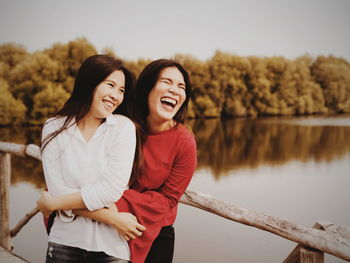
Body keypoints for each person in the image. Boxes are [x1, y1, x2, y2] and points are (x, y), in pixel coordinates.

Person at [73, 59, 197, 262]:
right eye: (167, 82)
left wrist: (110, 205)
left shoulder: (185, 141)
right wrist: (110, 215)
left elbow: (167, 200)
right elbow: (82, 172)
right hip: (101, 221)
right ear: (148, 87)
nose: (175, 90)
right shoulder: (120, 125)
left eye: (181, 86)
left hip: (155, 231)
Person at [36, 54, 145, 263]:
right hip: (64, 242)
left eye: (121, 90)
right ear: (89, 83)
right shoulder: (54, 127)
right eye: (110, 85)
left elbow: (110, 190)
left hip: (110, 247)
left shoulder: (123, 128)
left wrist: (54, 204)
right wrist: (112, 218)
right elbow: (58, 190)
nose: (116, 95)